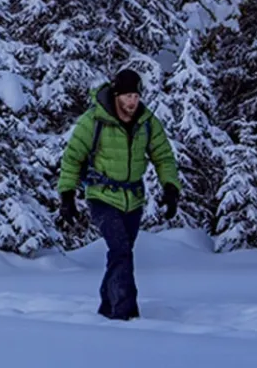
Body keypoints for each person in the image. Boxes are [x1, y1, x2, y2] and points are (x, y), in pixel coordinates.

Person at [57, 66, 180, 320]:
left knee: (120, 255)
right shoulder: (93, 121)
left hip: (133, 199)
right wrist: (67, 196)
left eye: (135, 96)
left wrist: (170, 188)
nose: (132, 102)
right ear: (116, 95)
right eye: (127, 96)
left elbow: (164, 157)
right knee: (121, 250)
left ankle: (106, 307)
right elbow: (72, 159)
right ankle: (125, 313)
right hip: (101, 196)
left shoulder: (147, 122)